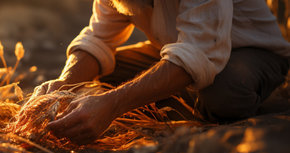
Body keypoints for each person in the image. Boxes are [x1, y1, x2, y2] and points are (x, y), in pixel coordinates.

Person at [30, 0, 290, 145]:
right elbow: (97, 38)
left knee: (224, 94)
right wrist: (63, 85)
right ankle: (171, 89)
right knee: (104, 73)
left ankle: (174, 96)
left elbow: (197, 52)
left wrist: (112, 104)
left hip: (250, 51)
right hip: (179, 48)